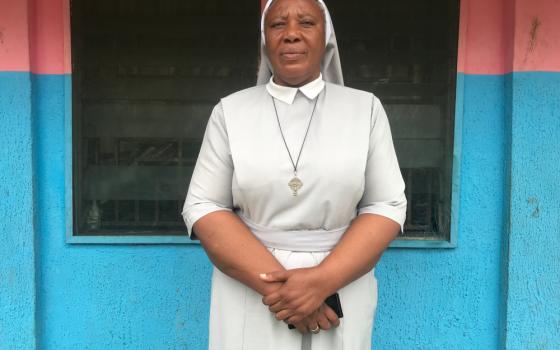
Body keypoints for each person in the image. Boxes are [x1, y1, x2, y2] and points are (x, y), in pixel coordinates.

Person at [182, 0, 407, 349]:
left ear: (326, 37)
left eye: (306, 22)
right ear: (264, 40)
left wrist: (322, 282)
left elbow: (387, 204)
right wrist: (288, 295)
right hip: (253, 285)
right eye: (277, 25)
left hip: (341, 282)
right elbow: (204, 206)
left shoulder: (365, 110)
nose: (291, 35)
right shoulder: (230, 111)